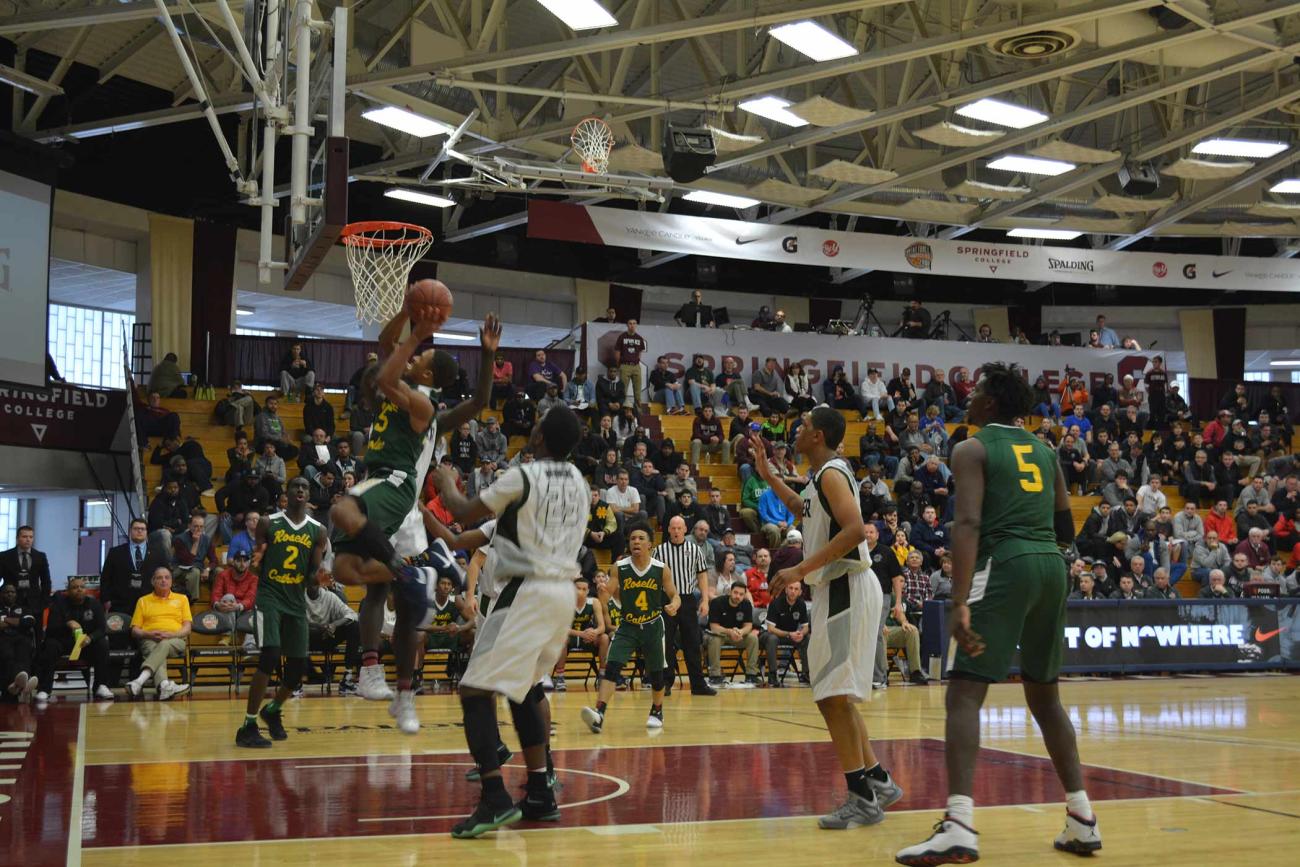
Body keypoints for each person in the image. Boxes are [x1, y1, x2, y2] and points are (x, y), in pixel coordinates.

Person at [897, 363, 1099, 865]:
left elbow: (966, 523)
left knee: (964, 693)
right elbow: (1066, 529)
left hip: (1005, 563)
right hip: (1052, 566)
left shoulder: (971, 447)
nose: (968, 397)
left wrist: (960, 600)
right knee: (1045, 696)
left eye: (977, 391)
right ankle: (1082, 818)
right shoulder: (1047, 451)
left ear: (989, 404)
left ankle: (960, 824)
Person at [432, 405, 587, 837]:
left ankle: (494, 797)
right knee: (525, 690)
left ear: (539, 438)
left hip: (527, 591)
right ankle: (540, 790)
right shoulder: (580, 482)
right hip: (562, 595)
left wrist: (447, 483)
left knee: (473, 690)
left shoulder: (526, 475)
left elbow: (463, 512)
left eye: (535, 427)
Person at [336, 310, 502, 714]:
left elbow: (477, 400)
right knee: (350, 573)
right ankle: (376, 666)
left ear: (427, 375)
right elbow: (384, 345)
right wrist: (408, 313)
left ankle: (398, 676)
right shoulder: (410, 387)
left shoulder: (426, 407)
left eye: (421, 360)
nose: (413, 358)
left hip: (396, 490)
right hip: (377, 481)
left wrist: (424, 336)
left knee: (341, 511)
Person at [749, 408, 902, 830]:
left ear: (817, 436)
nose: (795, 431)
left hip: (845, 584)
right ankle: (877, 781)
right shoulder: (822, 477)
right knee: (837, 694)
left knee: (831, 695)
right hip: (839, 587)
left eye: (801, 427)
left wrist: (799, 569)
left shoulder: (833, 473)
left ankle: (862, 798)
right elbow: (802, 506)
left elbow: (854, 529)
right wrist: (768, 475)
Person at [236, 477, 327, 747]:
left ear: (309, 495)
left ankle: (272, 710)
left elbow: (312, 577)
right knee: (270, 655)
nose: (300, 489)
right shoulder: (268, 522)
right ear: (286, 493)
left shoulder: (318, 530)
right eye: (295, 485)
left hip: (296, 601)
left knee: (298, 667)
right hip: (270, 596)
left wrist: (317, 580)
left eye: (305, 487)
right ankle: (248, 726)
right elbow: (256, 564)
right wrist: (255, 561)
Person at [582, 521, 680, 729]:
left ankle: (657, 710)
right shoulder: (620, 567)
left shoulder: (661, 569)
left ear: (650, 545)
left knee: (656, 675)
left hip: (653, 625)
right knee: (612, 667)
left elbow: (675, 595)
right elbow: (609, 591)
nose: (636, 541)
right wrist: (602, 591)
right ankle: (599, 713)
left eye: (641, 538)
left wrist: (674, 605)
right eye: (633, 538)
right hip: (628, 626)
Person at [654, 515, 717, 697]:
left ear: (684, 530)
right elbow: (654, 577)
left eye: (679, 528)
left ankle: (697, 684)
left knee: (692, 642)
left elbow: (702, 576)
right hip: (666, 600)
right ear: (668, 530)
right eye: (673, 528)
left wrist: (705, 600)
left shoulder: (695, 550)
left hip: (688, 599)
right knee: (665, 643)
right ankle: (665, 682)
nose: (675, 531)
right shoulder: (659, 551)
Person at [35, 577, 114, 702]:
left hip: (85, 643)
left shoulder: (94, 604)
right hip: (64, 641)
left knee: (102, 643)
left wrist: (91, 637)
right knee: (50, 645)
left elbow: (101, 629)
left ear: (86, 590)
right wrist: (67, 624)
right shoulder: (58, 605)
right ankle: (44, 689)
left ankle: (101, 685)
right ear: (68, 590)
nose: (79, 590)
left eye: (82, 587)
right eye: (75, 587)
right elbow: (50, 630)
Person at [124, 566, 193, 701]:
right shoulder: (143, 601)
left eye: (167, 577)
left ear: (171, 581)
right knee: (157, 649)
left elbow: (187, 628)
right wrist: (149, 634)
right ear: (153, 581)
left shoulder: (182, 599)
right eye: (159, 578)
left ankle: (139, 681)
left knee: (164, 644)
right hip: (149, 639)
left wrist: (172, 635)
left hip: (175, 640)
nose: (163, 581)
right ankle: (164, 686)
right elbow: (135, 630)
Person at [306, 579, 361, 694]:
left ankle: (347, 677)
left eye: (315, 583)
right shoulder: (299, 597)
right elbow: (294, 621)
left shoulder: (329, 597)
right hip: (307, 638)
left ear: (320, 584)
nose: (313, 587)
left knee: (354, 625)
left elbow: (352, 614)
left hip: (328, 636)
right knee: (295, 630)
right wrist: (320, 627)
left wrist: (334, 625)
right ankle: (296, 683)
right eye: (310, 583)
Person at [705, 581, 760, 686]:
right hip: (718, 635)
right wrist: (729, 632)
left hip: (737, 636)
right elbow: (714, 627)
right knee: (715, 639)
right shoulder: (717, 602)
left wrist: (741, 632)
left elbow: (748, 626)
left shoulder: (746, 604)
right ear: (730, 592)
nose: (737, 596)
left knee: (753, 639)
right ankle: (715, 675)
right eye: (735, 593)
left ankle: (751, 674)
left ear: (744, 595)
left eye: (741, 594)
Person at [760, 579, 809, 687]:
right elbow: (770, 629)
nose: (793, 591)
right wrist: (789, 634)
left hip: (789, 635)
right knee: (772, 639)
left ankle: (806, 673)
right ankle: (772, 674)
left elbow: (806, 627)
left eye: (796, 589)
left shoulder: (801, 604)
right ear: (786, 590)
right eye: (790, 588)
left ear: (800, 592)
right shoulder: (776, 603)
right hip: (770, 634)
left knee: (806, 638)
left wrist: (801, 633)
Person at [0, 526, 51, 622]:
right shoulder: (4, 556)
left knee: (36, 633)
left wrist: (44, 602)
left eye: (31, 537)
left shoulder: (40, 556)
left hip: (35, 603)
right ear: (17, 538)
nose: (28, 540)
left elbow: (46, 581)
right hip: (10, 601)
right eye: (24, 537)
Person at [0, 584, 39, 703]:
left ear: (16, 595)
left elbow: (30, 621)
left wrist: (5, 620)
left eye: (12, 592)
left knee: (24, 649)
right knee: (7, 653)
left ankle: (16, 686)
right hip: (3, 639)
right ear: (2, 595)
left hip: (21, 638)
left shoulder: (23, 608)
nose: (10, 594)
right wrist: (17, 622)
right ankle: (22, 686)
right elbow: (22, 622)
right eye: (7, 592)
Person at [614, 319, 647, 413]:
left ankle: (638, 411)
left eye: (634, 323)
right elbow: (617, 352)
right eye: (630, 323)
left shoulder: (639, 338)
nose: (632, 325)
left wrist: (637, 361)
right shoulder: (622, 337)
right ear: (627, 325)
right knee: (623, 389)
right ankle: (621, 410)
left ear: (636, 325)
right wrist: (619, 365)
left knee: (638, 389)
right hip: (625, 365)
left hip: (636, 366)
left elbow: (640, 352)